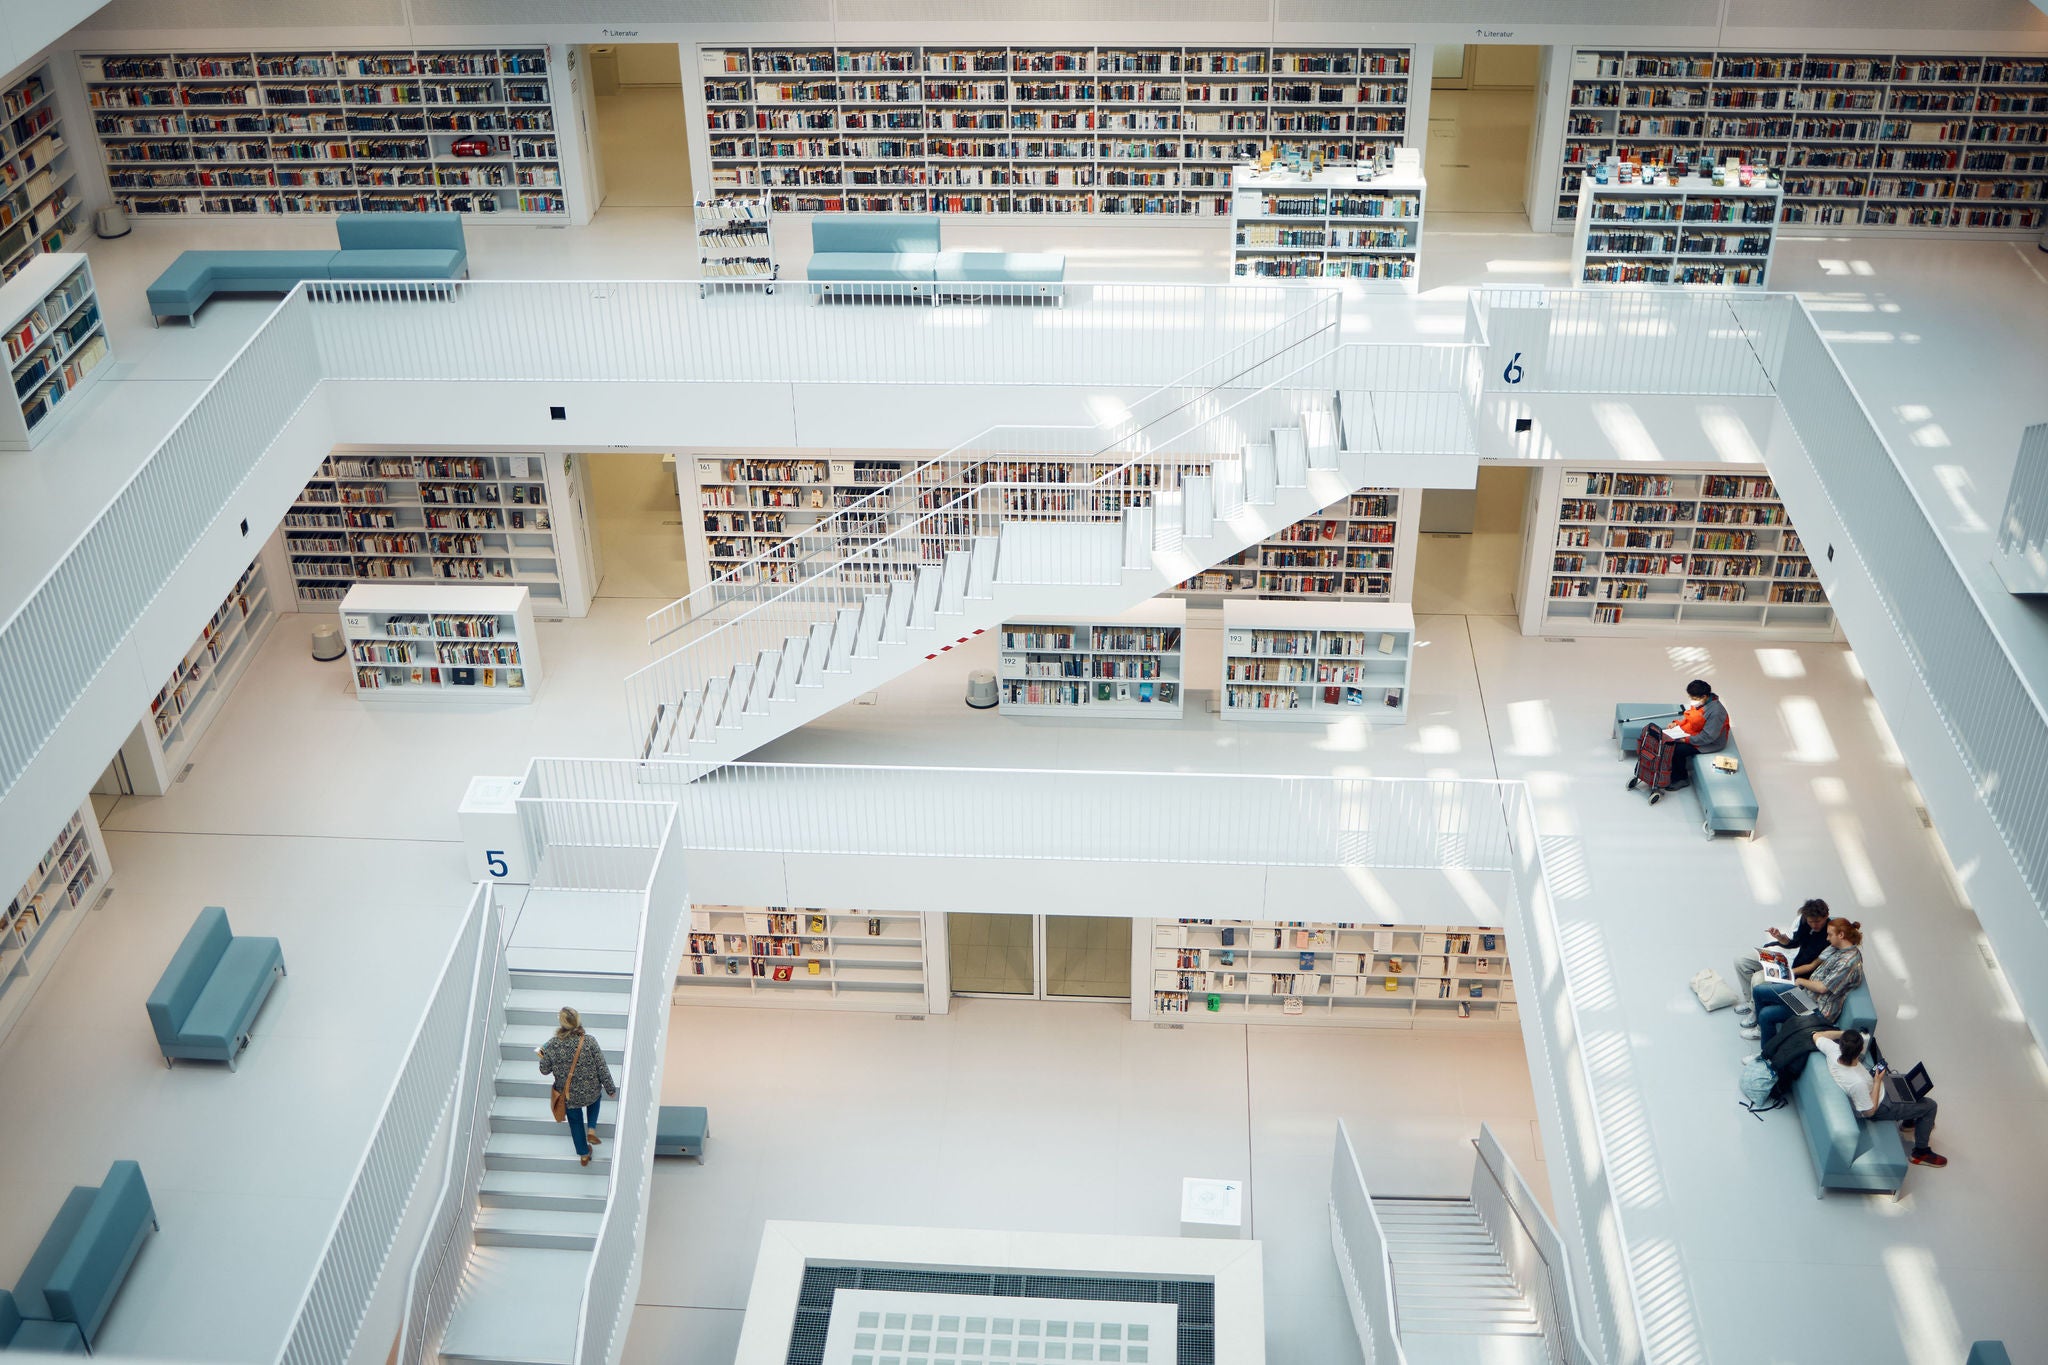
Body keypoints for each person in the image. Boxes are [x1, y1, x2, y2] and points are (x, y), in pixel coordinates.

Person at [1813, 1028, 1947, 1168]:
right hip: (1882, 1105)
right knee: (1931, 1106)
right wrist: (1877, 1082)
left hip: (1876, 1086)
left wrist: (1846, 1036)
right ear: (1859, 1051)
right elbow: (1869, 1111)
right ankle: (1920, 1153)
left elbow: (1817, 1035)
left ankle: (1909, 1122)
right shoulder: (1856, 1083)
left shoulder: (1834, 1051)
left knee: (1907, 1083)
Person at [1749, 918, 1863, 1045]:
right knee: (1765, 1013)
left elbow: (1822, 988)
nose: (1827, 939)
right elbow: (1813, 965)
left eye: (1830, 935)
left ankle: (1765, 1052)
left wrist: (1801, 981)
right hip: (1807, 996)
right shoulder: (1835, 947)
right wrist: (1786, 973)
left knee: (1759, 993)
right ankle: (1765, 1044)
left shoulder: (1848, 962)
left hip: (1816, 1010)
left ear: (1841, 935)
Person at [537, 1005, 618, 1167]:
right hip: (591, 1089)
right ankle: (592, 1129)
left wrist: (542, 1055)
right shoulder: (589, 1041)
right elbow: (601, 1066)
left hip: (569, 1096)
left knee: (575, 1122)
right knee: (595, 1099)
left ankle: (583, 1154)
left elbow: (544, 1070)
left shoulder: (553, 1045)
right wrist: (610, 1088)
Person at [1733, 898, 1832, 1023]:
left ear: (1826, 916)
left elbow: (1813, 965)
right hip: (1781, 955)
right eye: (1810, 921)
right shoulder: (1802, 920)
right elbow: (1792, 942)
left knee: (1758, 980)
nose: (1813, 925)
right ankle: (1750, 1002)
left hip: (1793, 968)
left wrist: (1787, 971)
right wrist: (1779, 937)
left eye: (1817, 922)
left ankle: (1756, 1012)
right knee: (1741, 962)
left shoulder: (1830, 936)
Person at [1661, 679, 1729, 788]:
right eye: (1691, 697)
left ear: (1705, 696)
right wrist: (1677, 724)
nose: (1692, 700)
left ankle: (1681, 779)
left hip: (1709, 743)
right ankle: (1668, 768)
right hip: (1694, 732)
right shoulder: (1701, 702)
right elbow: (1689, 715)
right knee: (1667, 740)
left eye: (1694, 698)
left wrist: (1686, 740)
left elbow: (1708, 737)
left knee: (1677, 750)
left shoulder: (1716, 712)